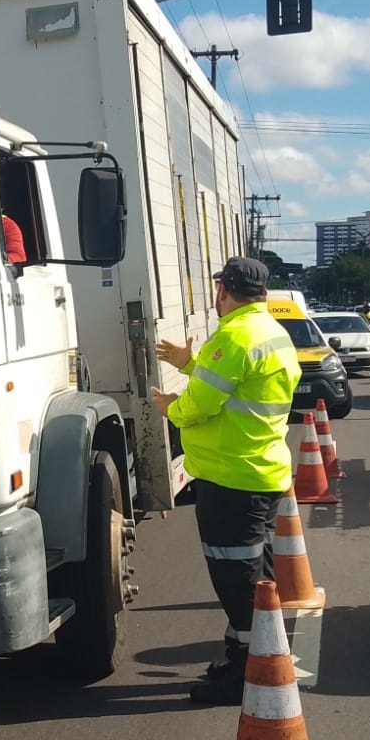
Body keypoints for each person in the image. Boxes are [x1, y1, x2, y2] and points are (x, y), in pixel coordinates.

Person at [150, 257, 301, 704]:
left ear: (222, 290)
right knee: (256, 578)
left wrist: (168, 408)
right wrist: (191, 360)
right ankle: (259, 660)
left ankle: (244, 676)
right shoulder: (272, 332)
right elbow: (239, 386)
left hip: (231, 479)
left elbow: (200, 404)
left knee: (237, 581)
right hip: (261, 472)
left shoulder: (233, 335)